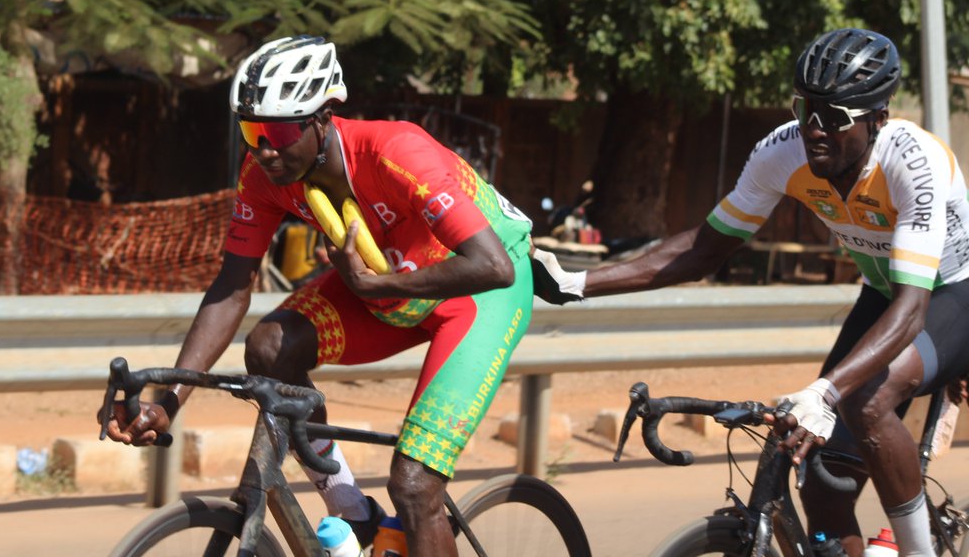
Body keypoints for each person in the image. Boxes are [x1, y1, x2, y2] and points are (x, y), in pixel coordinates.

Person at [101, 35, 536, 556]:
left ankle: (404, 511)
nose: (264, 148)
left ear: (323, 116)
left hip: (477, 296)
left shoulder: (396, 152)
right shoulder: (263, 177)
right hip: (383, 287)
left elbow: (493, 266)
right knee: (268, 348)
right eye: (251, 130)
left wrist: (382, 285)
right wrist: (171, 400)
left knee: (415, 485)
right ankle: (354, 513)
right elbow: (231, 288)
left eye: (279, 131)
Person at [551, 28, 969, 557]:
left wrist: (826, 391)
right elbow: (703, 250)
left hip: (952, 293)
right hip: (884, 292)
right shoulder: (782, 151)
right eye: (806, 109)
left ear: (876, 120)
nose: (815, 130)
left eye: (835, 118)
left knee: (864, 399)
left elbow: (911, 312)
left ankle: (919, 551)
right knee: (821, 483)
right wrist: (576, 282)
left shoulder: (913, 162)